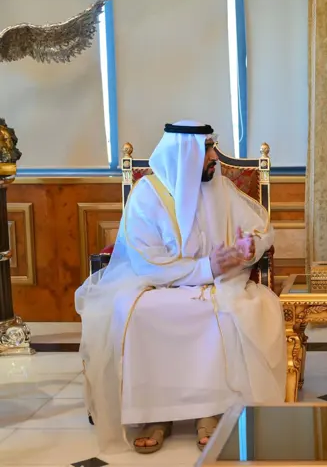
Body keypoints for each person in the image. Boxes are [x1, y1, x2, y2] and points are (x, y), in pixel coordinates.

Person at [76, 121, 287, 454]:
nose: (215, 157)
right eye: (206, 150)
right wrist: (206, 267)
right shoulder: (147, 195)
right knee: (140, 314)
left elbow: (260, 229)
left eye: (212, 148)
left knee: (222, 310)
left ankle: (210, 410)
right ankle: (155, 415)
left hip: (217, 283)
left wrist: (250, 247)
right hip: (155, 285)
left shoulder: (222, 188)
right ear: (183, 155)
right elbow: (146, 263)